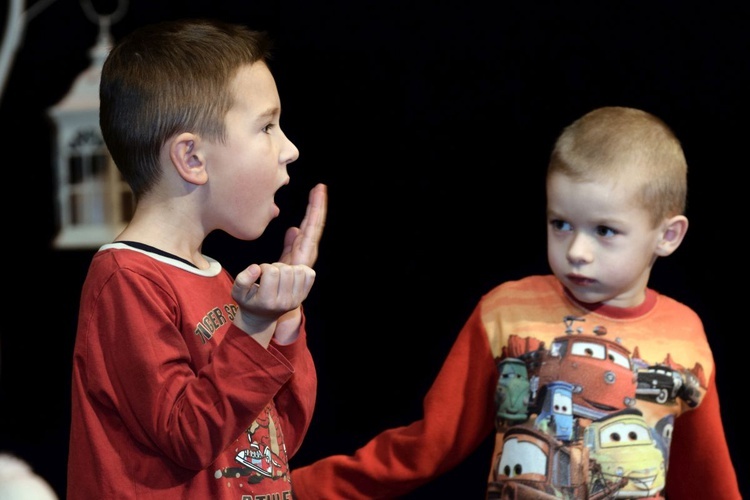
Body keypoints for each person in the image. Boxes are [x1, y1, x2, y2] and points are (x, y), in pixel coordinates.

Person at [292, 106, 741, 499]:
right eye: (561, 223)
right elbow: (430, 444)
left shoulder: (684, 334)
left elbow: (706, 480)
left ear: (668, 235)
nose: (577, 250)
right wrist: (300, 490)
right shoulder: (507, 310)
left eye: (604, 231)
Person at [66, 18, 327, 499]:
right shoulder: (125, 279)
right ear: (192, 158)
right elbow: (189, 436)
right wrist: (253, 328)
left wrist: (286, 318)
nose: (289, 148)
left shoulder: (217, 277)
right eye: (267, 126)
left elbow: (272, 447)